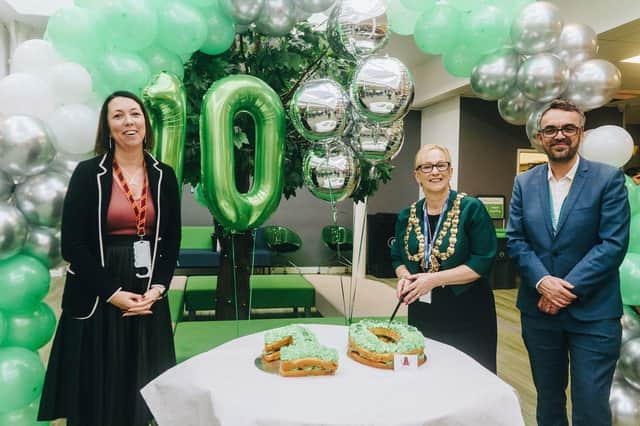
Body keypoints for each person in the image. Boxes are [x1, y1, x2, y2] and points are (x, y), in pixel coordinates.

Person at [38, 91, 181, 426]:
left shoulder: (164, 175)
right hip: (98, 292)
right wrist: (114, 294)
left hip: (146, 295)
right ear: (107, 127)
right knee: (94, 396)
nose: (128, 122)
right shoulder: (89, 174)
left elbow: (171, 239)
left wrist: (158, 288)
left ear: (145, 122)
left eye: (134, 114)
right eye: (118, 116)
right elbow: (72, 245)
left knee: (140, 394)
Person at [507, 99, 630, 426]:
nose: (559, 135)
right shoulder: (524, 183)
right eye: (550, 129)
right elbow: (516, 240)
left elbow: (612, 244)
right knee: (548, 400)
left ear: (581, 133)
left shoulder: (608, 179)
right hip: (539, 314)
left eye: (567, 128)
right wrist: (543, 283)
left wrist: (563, 291)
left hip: (594, 316)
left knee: (590, 404)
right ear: (540, 136)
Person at [390, 144, 498, 372]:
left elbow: (483, 261)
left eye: (441, 165)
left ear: (450, 171)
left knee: (469, 374)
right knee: (428, 369)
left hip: (467, 310)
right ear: (417, 175)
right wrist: (405, 277)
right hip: (423, 310)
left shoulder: (472, 208)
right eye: (427, 166)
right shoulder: (407, 215)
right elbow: (397, 256)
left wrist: (434, 279)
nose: (435, 172)